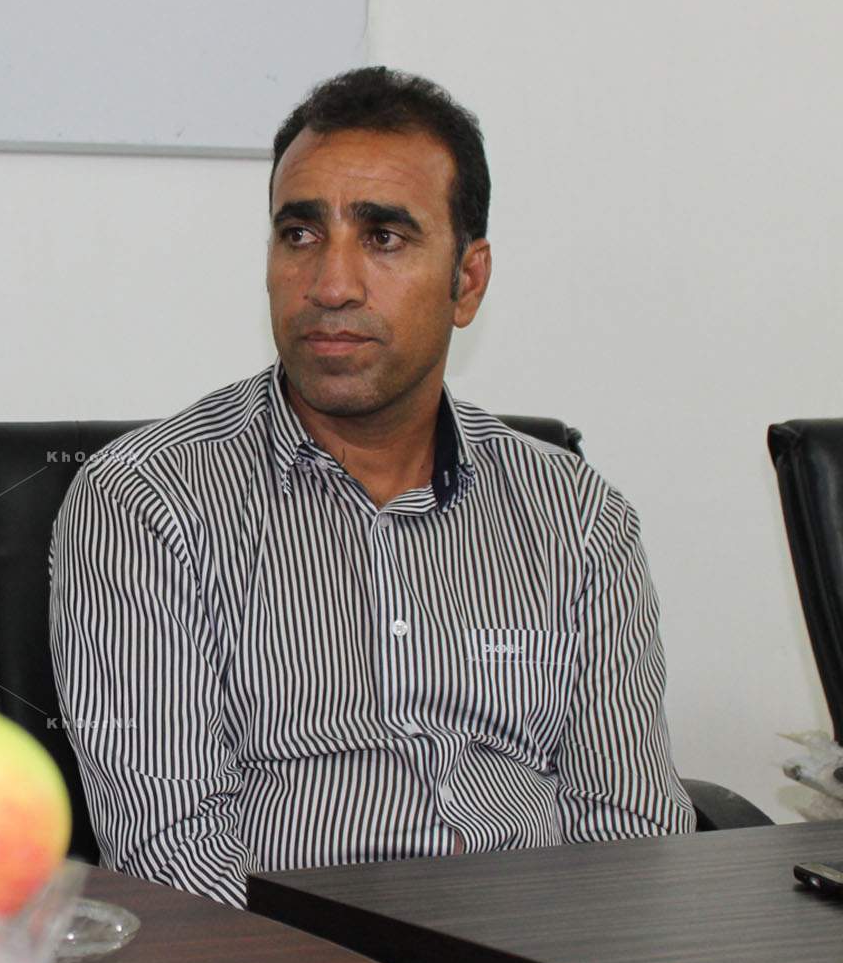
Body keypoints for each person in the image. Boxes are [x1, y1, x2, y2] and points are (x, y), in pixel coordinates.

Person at [49, 66, 692, 908]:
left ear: (467, 281)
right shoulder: (147, 503)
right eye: (300, 233)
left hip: (534, 961)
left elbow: (633, 828)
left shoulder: (576, 517)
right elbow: (170, 850)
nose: (331, 284)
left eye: (384, 237)